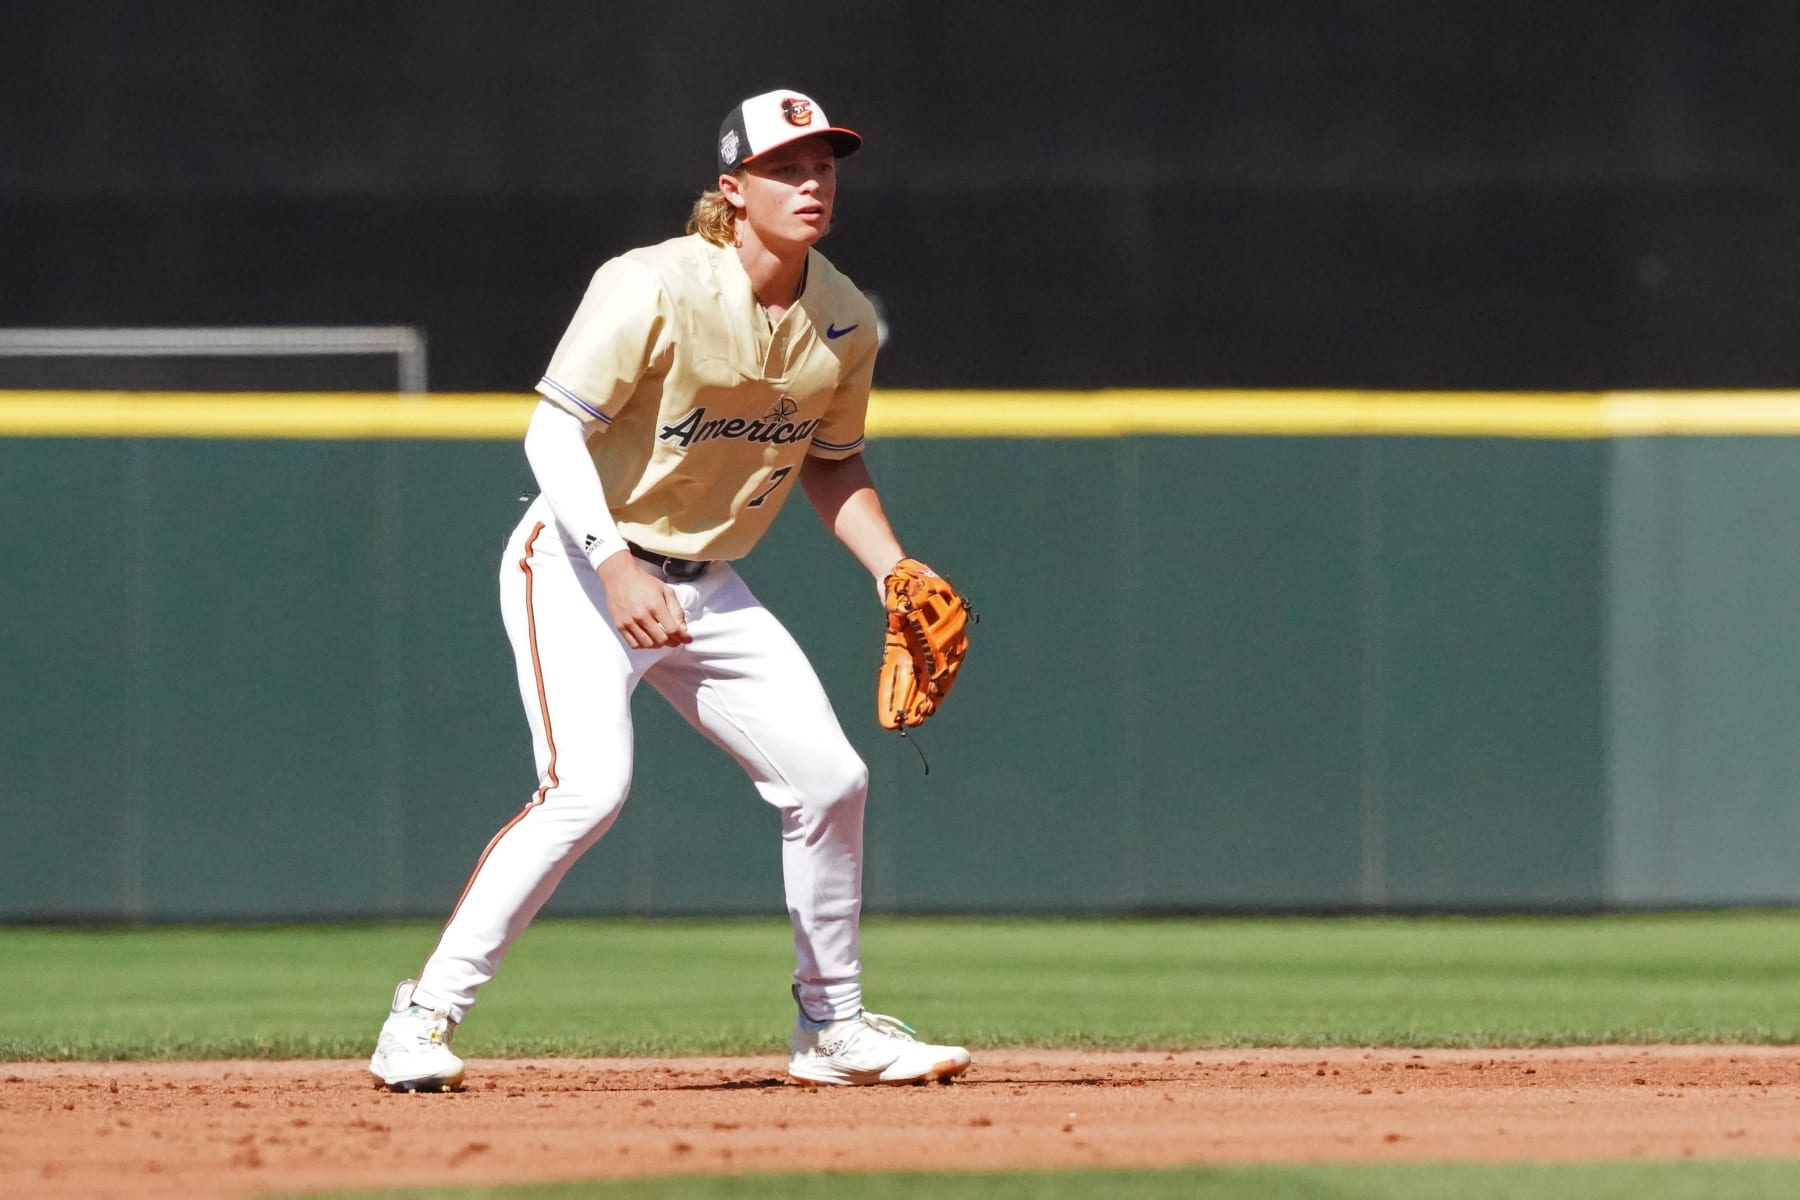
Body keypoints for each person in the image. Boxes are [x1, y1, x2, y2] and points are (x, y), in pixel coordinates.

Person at [368, 88, 971, 1091]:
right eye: (787, 167)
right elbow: (551, 432)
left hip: (706, 581)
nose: (812, 181)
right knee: (585, 792)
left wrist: (893, 567)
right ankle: (421, 1019)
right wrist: (612, 561)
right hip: (575, 559)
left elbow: (833, 462)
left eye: (824, 164)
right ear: (734, 191)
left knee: (831, 782)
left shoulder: (843, 318)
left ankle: (832, 1029)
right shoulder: (651, 284)